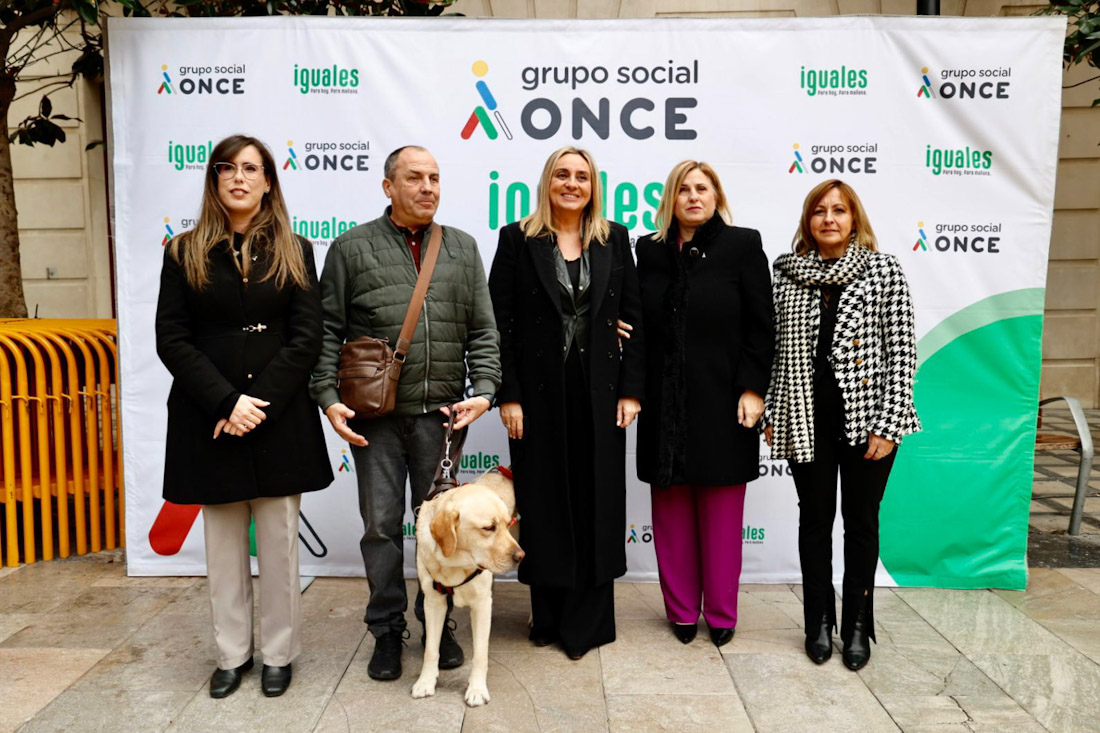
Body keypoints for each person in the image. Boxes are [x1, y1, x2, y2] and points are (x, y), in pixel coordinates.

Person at [310, 145, 501, 682]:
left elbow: (483, 331)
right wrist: (328, 397)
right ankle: (387, 630)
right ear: (388, 186)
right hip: (374, 417)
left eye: (435, 178)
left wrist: (484, 388)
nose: (427, 188)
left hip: (441, 418)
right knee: (380, 528)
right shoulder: (351, 248)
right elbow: (327, 331)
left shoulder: (462, 248)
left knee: (446, 528)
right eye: (414, 178)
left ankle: (438, 623)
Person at [155, 134, 333, 699]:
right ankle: (233, 655)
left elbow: (307, 339)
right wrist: (227, 402)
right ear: (213, 181)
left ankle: (279, 654)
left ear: (268, 182)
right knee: (224, 545)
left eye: (250, 168)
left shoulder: (296, 249)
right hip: (209, 417)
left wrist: (256, 406)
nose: (238, 177)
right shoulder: (182, 251)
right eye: (227, 168)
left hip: (277, 418)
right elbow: (172, 339)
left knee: (278, 545)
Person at [488, 146, 645, 660]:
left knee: (596, 502)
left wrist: (630, 389)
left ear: (593, 186)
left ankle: (588, 623)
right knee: (546, 500)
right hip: (537, 397)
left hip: (599, 394)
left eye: (582, 176)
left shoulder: (614, 239)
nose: (572, 183)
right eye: (562, 174)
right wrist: (507, 395)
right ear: (547, 182)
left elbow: (634, 318)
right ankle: (548, 616)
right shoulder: (517, 239)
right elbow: (499, 326)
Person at [765, 179, 920, 671]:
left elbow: (902, 353)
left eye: (839, 210)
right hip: (806, 418)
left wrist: (889, 422)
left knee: (861, 524)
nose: (829, 218)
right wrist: (774, 410)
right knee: (813, 523)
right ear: (807, 221)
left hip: (868, 421)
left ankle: (856, 624)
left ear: (855, 219)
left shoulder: (883, 271)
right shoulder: (786, 275)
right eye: (819, 211)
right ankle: (819, 623)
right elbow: (774, 353)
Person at [634, 161, 774, 648]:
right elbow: (636, 319)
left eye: (703, 188)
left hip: (725, 402)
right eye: (683, 190)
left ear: (716, 195)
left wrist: (754, 390)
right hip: (662, 404)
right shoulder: (647, 250)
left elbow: (762, 325)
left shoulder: (742, 245)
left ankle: (720, 613)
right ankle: (679, 612)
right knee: (670, 516)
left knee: (719, 516)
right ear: (670, 199)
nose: (693, 197)